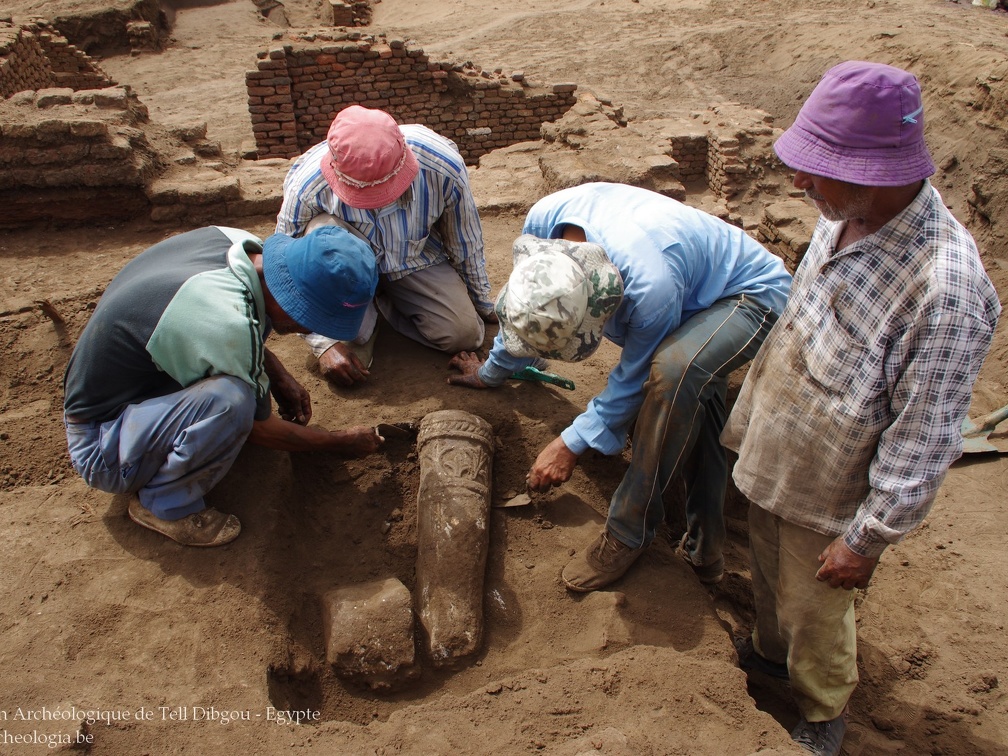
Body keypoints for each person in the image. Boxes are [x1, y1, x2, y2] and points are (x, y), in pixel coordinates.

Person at [720, 61, 1001, 756]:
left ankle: (820, 715)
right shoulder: (842, 213)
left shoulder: (946, 287)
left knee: (818, 612)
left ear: (876, 171)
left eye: (817, 168)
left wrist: (866, 537)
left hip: (833, 495)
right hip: (780, 452)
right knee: (765, 571)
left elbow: (926, 434)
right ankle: (766, 654)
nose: (798, 183)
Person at [448, 182, 792, 591]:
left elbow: (632, 380)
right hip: (692, 285)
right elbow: (529, 306)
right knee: (700, 405)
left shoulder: (650, 287)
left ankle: (628, 532)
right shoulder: (544, 222)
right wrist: (492, 370)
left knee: (673, 373)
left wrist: (570, 442)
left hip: (750, 294)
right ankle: (706, 552)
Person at [63, 225, 384, 547]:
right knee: (233, 401)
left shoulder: (237, 245)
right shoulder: (223, 322)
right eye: (311, 319)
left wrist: (278, 375)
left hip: (145, 386)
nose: (311, 328)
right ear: (290, 298)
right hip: (103, 442)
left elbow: (228, 320)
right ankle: (164, 503)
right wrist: (337, 442)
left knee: (237, 396)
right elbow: (261, 428)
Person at [276, 105, 496, 386]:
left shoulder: (441, 167)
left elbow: (465, 241)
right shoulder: (307, 185)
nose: (376, 202)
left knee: (465, 334)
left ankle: (383, 308)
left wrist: (482, 301)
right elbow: (284, 264)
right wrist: (324, 344)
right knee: (350, 348)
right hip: (344, 269)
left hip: (413, 260)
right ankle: (362, 314)